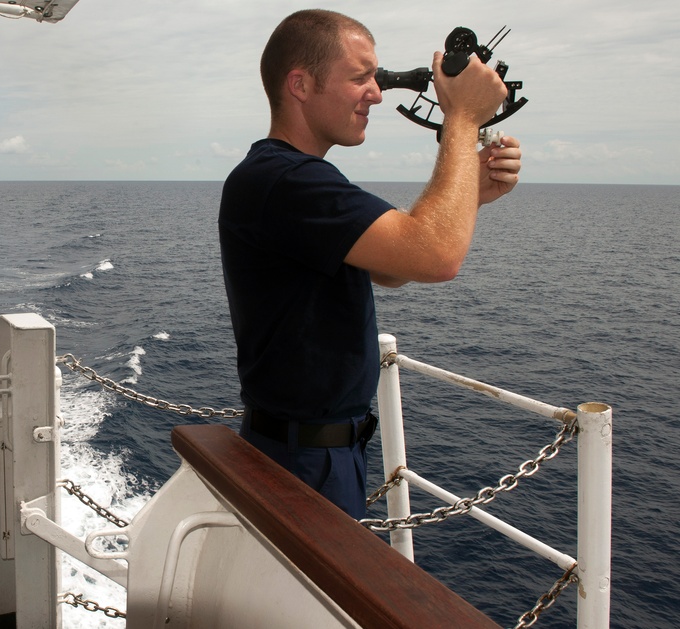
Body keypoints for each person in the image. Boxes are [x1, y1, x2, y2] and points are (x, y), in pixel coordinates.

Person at [218, 10, 522, 519]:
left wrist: (471, 194)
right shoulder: (286, 181)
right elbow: (437, 256)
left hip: (318, 450)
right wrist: (463, 118)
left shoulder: (288, 178)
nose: (378, 93)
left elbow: (395, 268)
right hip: (305, 462)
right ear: (301, 84)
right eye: (360, 78)